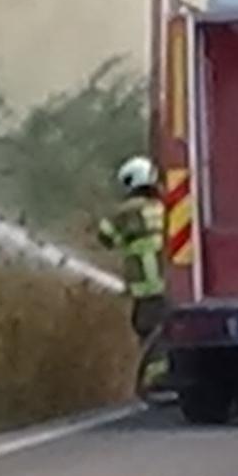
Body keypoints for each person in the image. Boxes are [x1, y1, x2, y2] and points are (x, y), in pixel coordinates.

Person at [96, 156, 175, 402]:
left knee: (149, 332)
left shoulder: (126, 211)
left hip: (146, 289)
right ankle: (168, 376)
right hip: (173, 286)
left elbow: (104, 236)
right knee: (167, 333)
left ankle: (157, 381)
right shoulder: (166, 207)